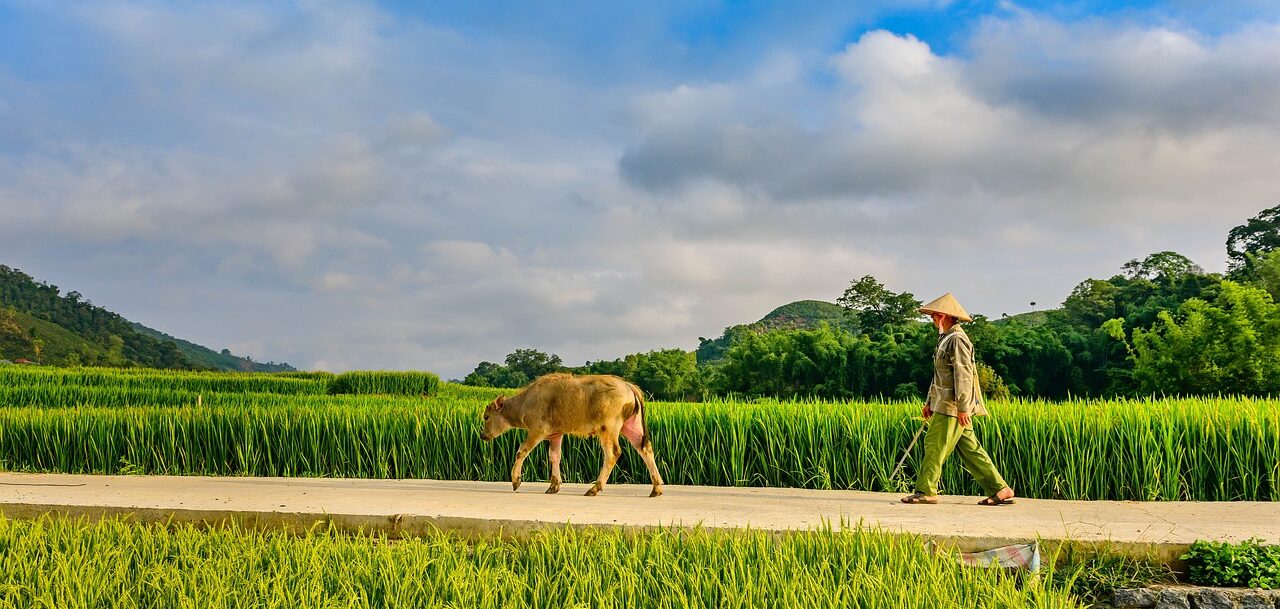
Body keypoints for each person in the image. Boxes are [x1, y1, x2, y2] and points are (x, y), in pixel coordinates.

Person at [900, 292, 1016, 506]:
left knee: (934, 444)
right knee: (971, 450)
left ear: (943, 316)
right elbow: (940, 377)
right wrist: (929, 403)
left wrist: (963, 407)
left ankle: (926, 490)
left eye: (934, 316)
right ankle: (1001, 489)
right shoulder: (945, 339)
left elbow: (963, 375)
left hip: (952, 407)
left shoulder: (957, 340)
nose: (933, 320)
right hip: (945, 404)